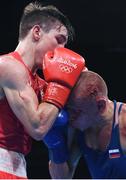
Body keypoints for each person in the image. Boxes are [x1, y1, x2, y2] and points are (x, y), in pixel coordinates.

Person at [0, 1, 85, 179]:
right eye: (59, 40)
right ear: (37, 32)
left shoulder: (40, 85)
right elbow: (37, 127)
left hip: (18, 169)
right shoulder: (8, 65)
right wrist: (62, 85)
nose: (62, 51)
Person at [44, 70, 126, 179]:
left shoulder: (123, 121)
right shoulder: (78, 130)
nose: (70, 116)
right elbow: (61, 178)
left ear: (100, 106)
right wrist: (56, 146)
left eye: (77, 111)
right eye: (69, 109)